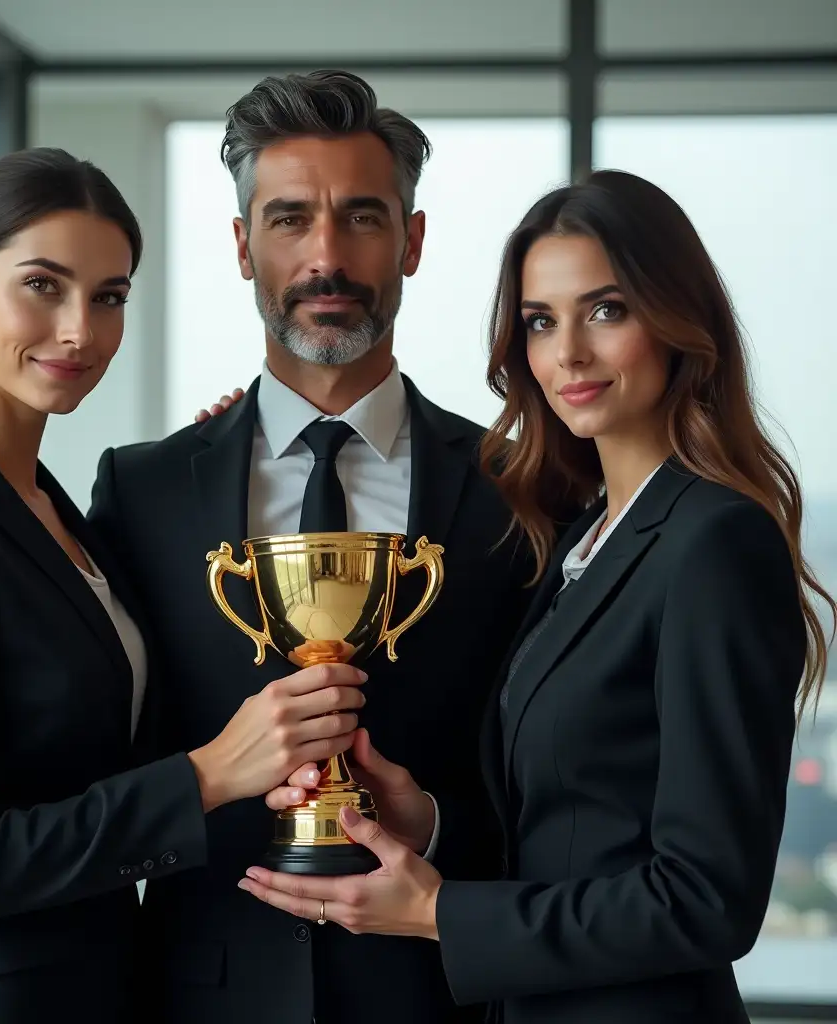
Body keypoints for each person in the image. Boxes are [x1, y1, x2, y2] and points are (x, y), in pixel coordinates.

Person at [237, 169, 837, 1024]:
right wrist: (430, 825)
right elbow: (570, 835)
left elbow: (707, 898)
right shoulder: (582, 537)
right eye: (540, 323)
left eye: (607, 310)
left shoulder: (713, 541)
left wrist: (439, 913)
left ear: (677, 320)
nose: (569, 355)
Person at [0, 147, 363, 1024]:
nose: (81, 330)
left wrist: (219, 466)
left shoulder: (54, 511)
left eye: (109, 296)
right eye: (43, 285)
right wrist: (201, 778)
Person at [87, 70, 537, 1024]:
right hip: (202, 998)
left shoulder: (520, 488)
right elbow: (107, 763)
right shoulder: (143, 490)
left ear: (412, 242)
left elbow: (549, 770)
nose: (325, 256)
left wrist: (439, 823)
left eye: (362, 217)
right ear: (244, 247)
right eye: (289, 219)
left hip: (440, 998)